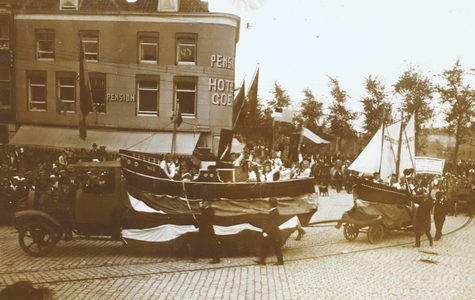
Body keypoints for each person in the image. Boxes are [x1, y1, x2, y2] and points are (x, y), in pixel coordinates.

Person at [254, 198, 284, 265]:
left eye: (269, 203)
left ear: (270, 204)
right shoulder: (273, 211)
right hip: (272, 233)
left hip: (273, 233)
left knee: (276, 247)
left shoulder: (274, 212)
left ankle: (280, 261)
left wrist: (267, 232)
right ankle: (262, 260)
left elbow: (273, 224)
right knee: (266, 246)